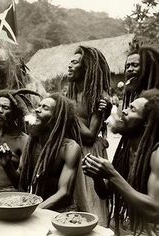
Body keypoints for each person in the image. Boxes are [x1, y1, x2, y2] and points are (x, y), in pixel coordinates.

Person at [83, 89, 159, 235]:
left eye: (132, 109)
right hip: (124, 226)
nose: (123, 111)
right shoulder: (125, 150)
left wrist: (112, 174)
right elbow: (105, 193)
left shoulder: (156, 153)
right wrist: (97, 175)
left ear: (145, 123)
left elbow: (155, 210)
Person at [0, 93, 88, 211]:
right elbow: (21, 183)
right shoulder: (31, 144)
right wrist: (7, 165)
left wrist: (33, 210)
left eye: (45, 108)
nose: (37, 110)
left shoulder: (70, 148)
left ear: (56, 118)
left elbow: (64, 192)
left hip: (61, 214)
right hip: (37, 209)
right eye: (39, 106)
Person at [67, 45, 111, 225]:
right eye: (70, 61)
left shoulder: (98, 96)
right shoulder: (70, 93)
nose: (69, 65)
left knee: (90, 208)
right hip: (72, 151)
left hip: (88, 155)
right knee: (72, 209)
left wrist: (68, 111)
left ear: (87, 68)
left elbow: (90, 135)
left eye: (75, 62)